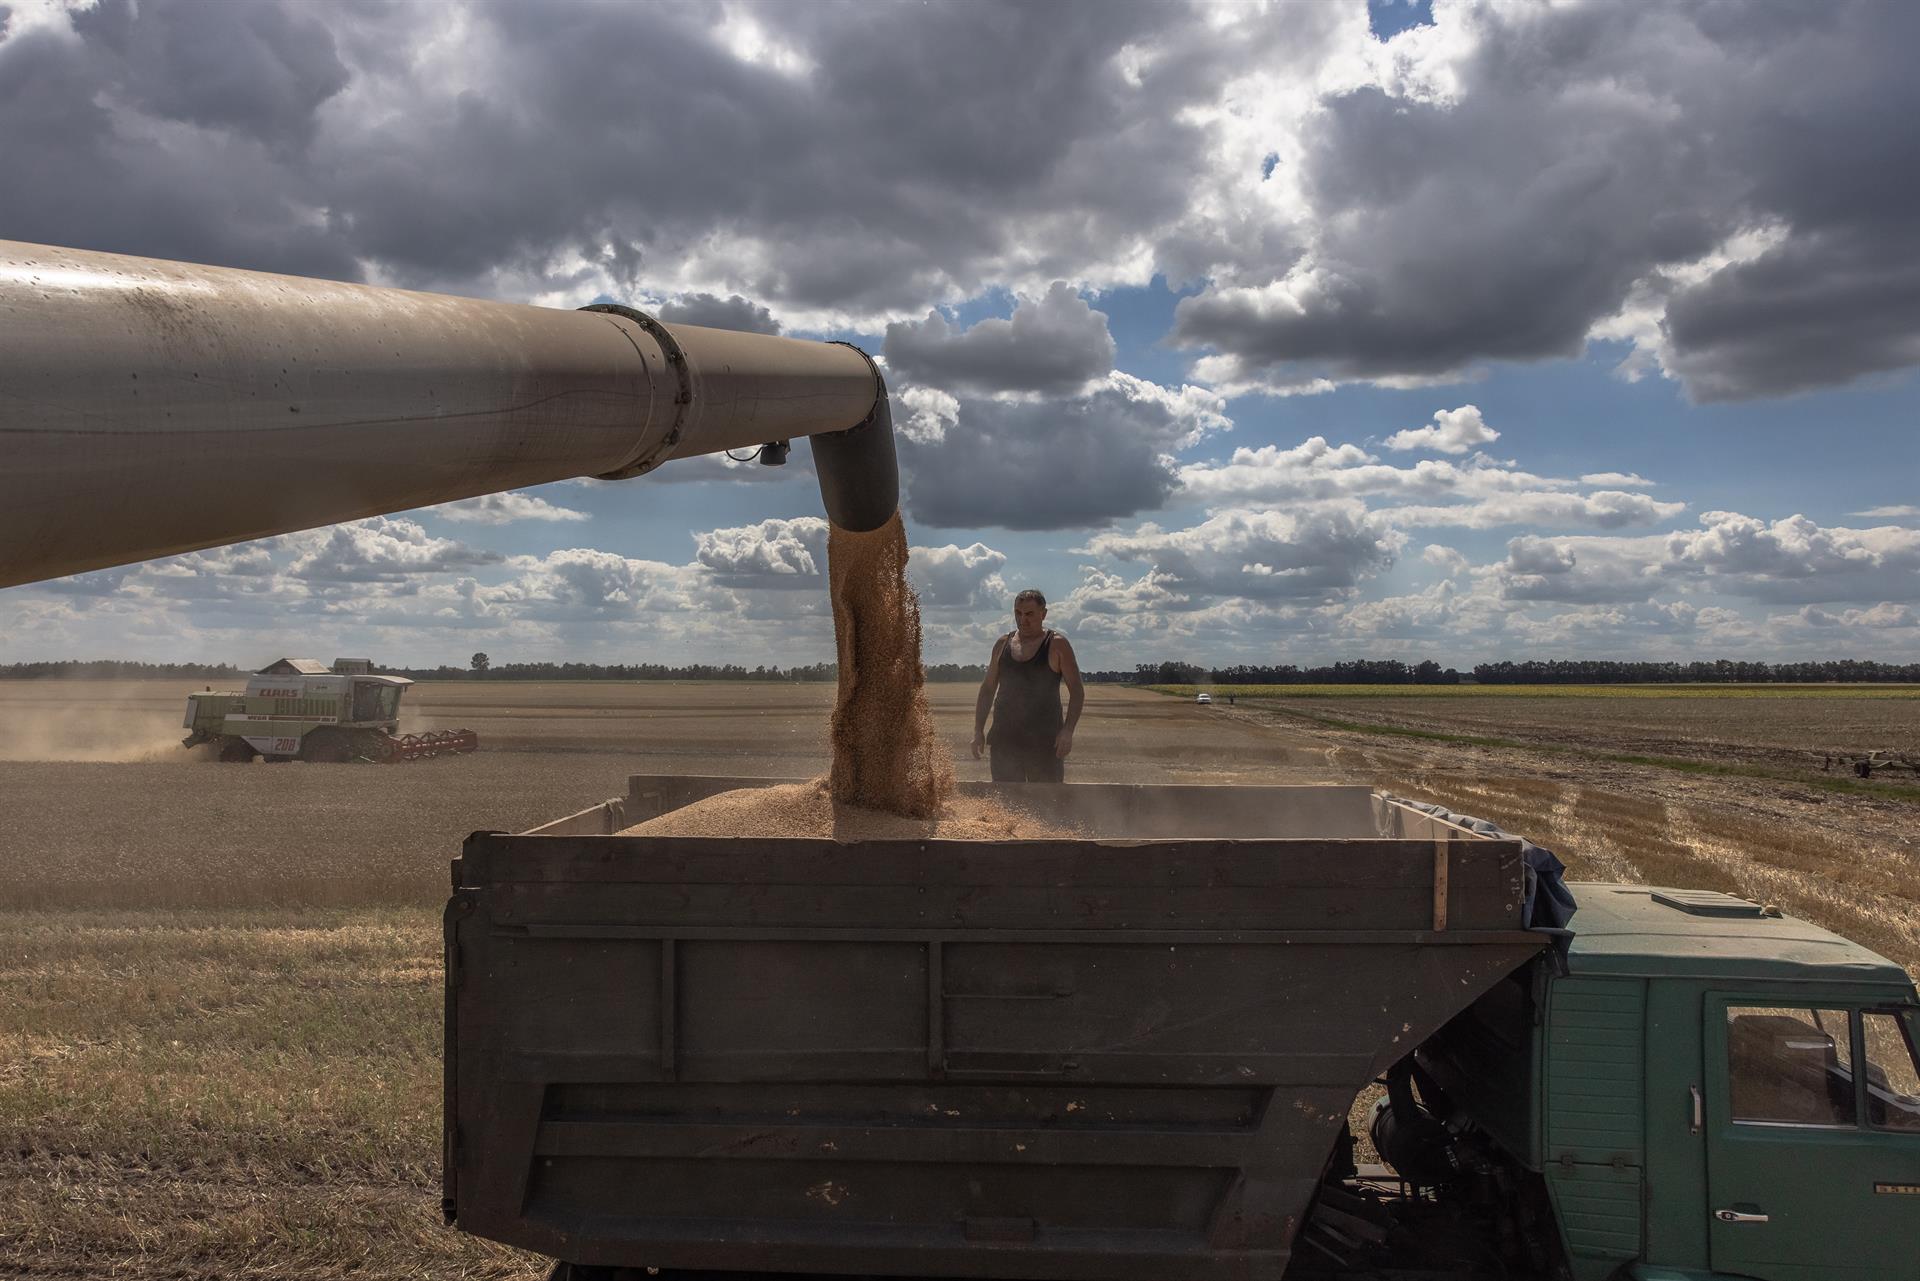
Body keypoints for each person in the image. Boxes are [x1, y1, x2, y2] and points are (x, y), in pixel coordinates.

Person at [972, 588, 1084, 782]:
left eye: (1030, 614)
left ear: (1044, 614)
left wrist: (1067, 731)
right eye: (1018, 613)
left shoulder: (1057, 645)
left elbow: (1077, 691)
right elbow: (988, 689)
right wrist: (978, 730)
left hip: (1045, 742)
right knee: (1005, 802)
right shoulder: (1002, 644)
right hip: (1005, 740)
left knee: (1046, 803)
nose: (1023, 620)